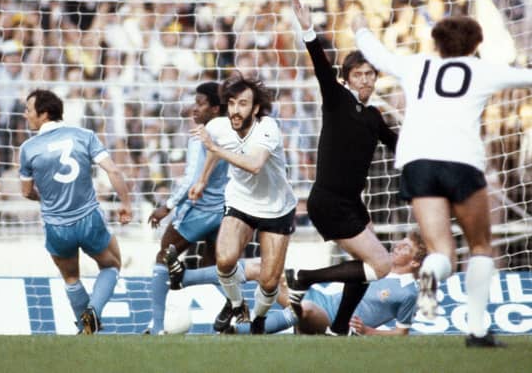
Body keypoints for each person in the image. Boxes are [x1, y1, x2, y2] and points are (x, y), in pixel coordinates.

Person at [352, 12, 532, 347]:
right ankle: (476, 331)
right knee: (480, 246)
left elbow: (378, 55)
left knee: (441, 252)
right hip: (461, 159)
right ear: (476, 44)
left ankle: (430, 280)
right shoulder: (482, 70)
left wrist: (360, 28)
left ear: (436, 43)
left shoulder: (417, 65)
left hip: (418, 163)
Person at [284, 0, 397, 336]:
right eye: (358, 74)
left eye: (369, 74)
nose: (365, 80)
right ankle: (305, 278)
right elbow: (320, 65)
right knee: (382, 264)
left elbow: (398, 146)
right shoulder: (337, 100)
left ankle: (339, 327)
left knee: (368, 266)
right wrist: (307, 29)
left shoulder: (375, 116)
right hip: (329, 201)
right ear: (347, 79)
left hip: (352, 203)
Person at [188, 75, 297, 334]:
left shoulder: (268, 127)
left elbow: (255, 164)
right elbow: (215, 152)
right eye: (232, 103)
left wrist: (214, 147)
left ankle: (259, 319)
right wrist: (202, 180)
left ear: (255, 108)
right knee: (224, 260)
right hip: (240, 202)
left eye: (243, 104)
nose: (236, 110)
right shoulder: (219, 126)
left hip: (276, 207)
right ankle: (238, 306)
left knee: (269, 282)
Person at [19, 89, 132, 334]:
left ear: (44, 113)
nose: (25, 114)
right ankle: (94, 311)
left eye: (28, 110)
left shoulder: (28, 148)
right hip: (88, 218)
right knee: (111, 265)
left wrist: (46, 199)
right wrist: (126, 203)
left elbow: (26, 191)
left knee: (71, 278)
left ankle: (85, 326)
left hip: (57, 225)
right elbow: (113, 171)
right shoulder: (84, 135)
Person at [165, 233, 426, 336]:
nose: (396, 246)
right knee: (262, 267)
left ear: (415, 263)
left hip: (333, 320)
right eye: (399, 241)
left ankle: (236, 331)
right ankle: (184, 277)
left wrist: (368, 331)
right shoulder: (374, 266)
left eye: (405, 247)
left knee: (307, 309)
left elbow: (401, 334)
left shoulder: (407, 291)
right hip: (321, 298)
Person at [145, 81, 228, 335]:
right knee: (217, 266)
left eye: (201, 104)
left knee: (163, 257)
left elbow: (192, 179)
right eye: (196, 102)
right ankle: (238, 308)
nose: (195, 108)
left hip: (199, 210)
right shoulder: (231, 133)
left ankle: (157, 326)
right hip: (224, 211)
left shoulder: (200, 137)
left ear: (215, 108)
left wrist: (167, 206)